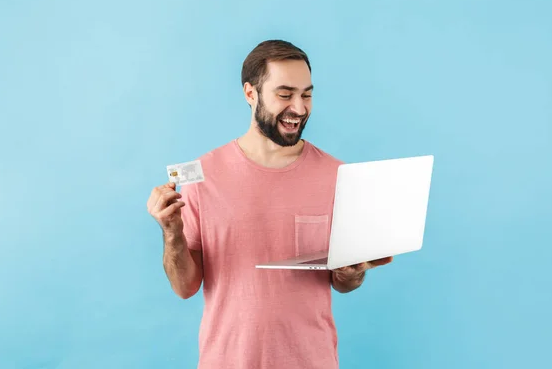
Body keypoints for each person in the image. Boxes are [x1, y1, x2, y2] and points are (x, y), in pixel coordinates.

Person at [146, 40, 393, 369]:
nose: (300, 108)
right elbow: (184, 287)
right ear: (250, 93)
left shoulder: (337, 175)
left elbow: (342, 283)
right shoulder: (202, 176)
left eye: (306, 94)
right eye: (285, 94)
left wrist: (353, 271)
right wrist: (171, 232)